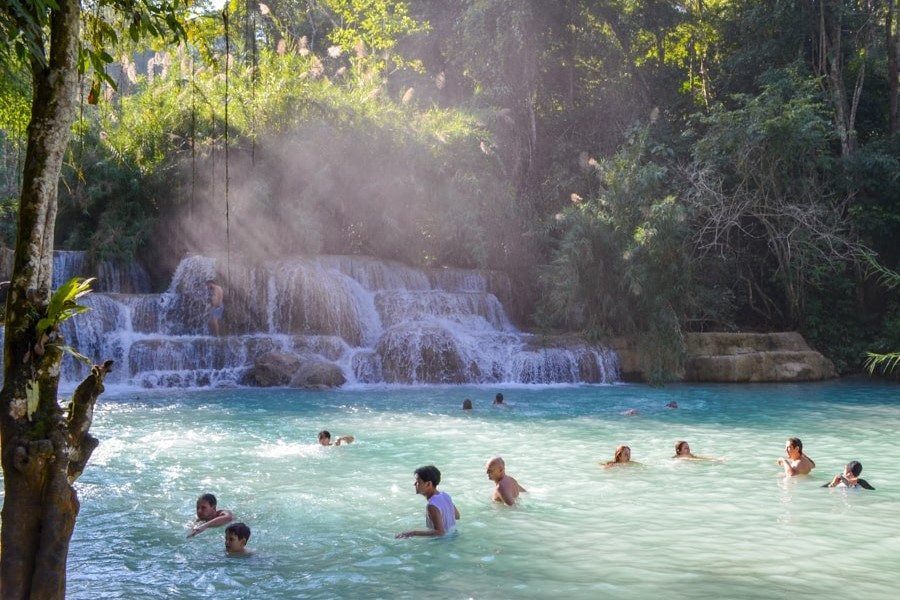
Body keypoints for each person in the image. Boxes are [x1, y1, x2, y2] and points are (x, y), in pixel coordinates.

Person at [396, 465, 459, 538]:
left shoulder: (432, 505)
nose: (415, 484)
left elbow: (440, 532)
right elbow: (457, 516)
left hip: (442, 543)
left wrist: (412, 533)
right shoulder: (445, 496)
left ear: (428, 484)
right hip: (454, 536)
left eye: (418, 482)